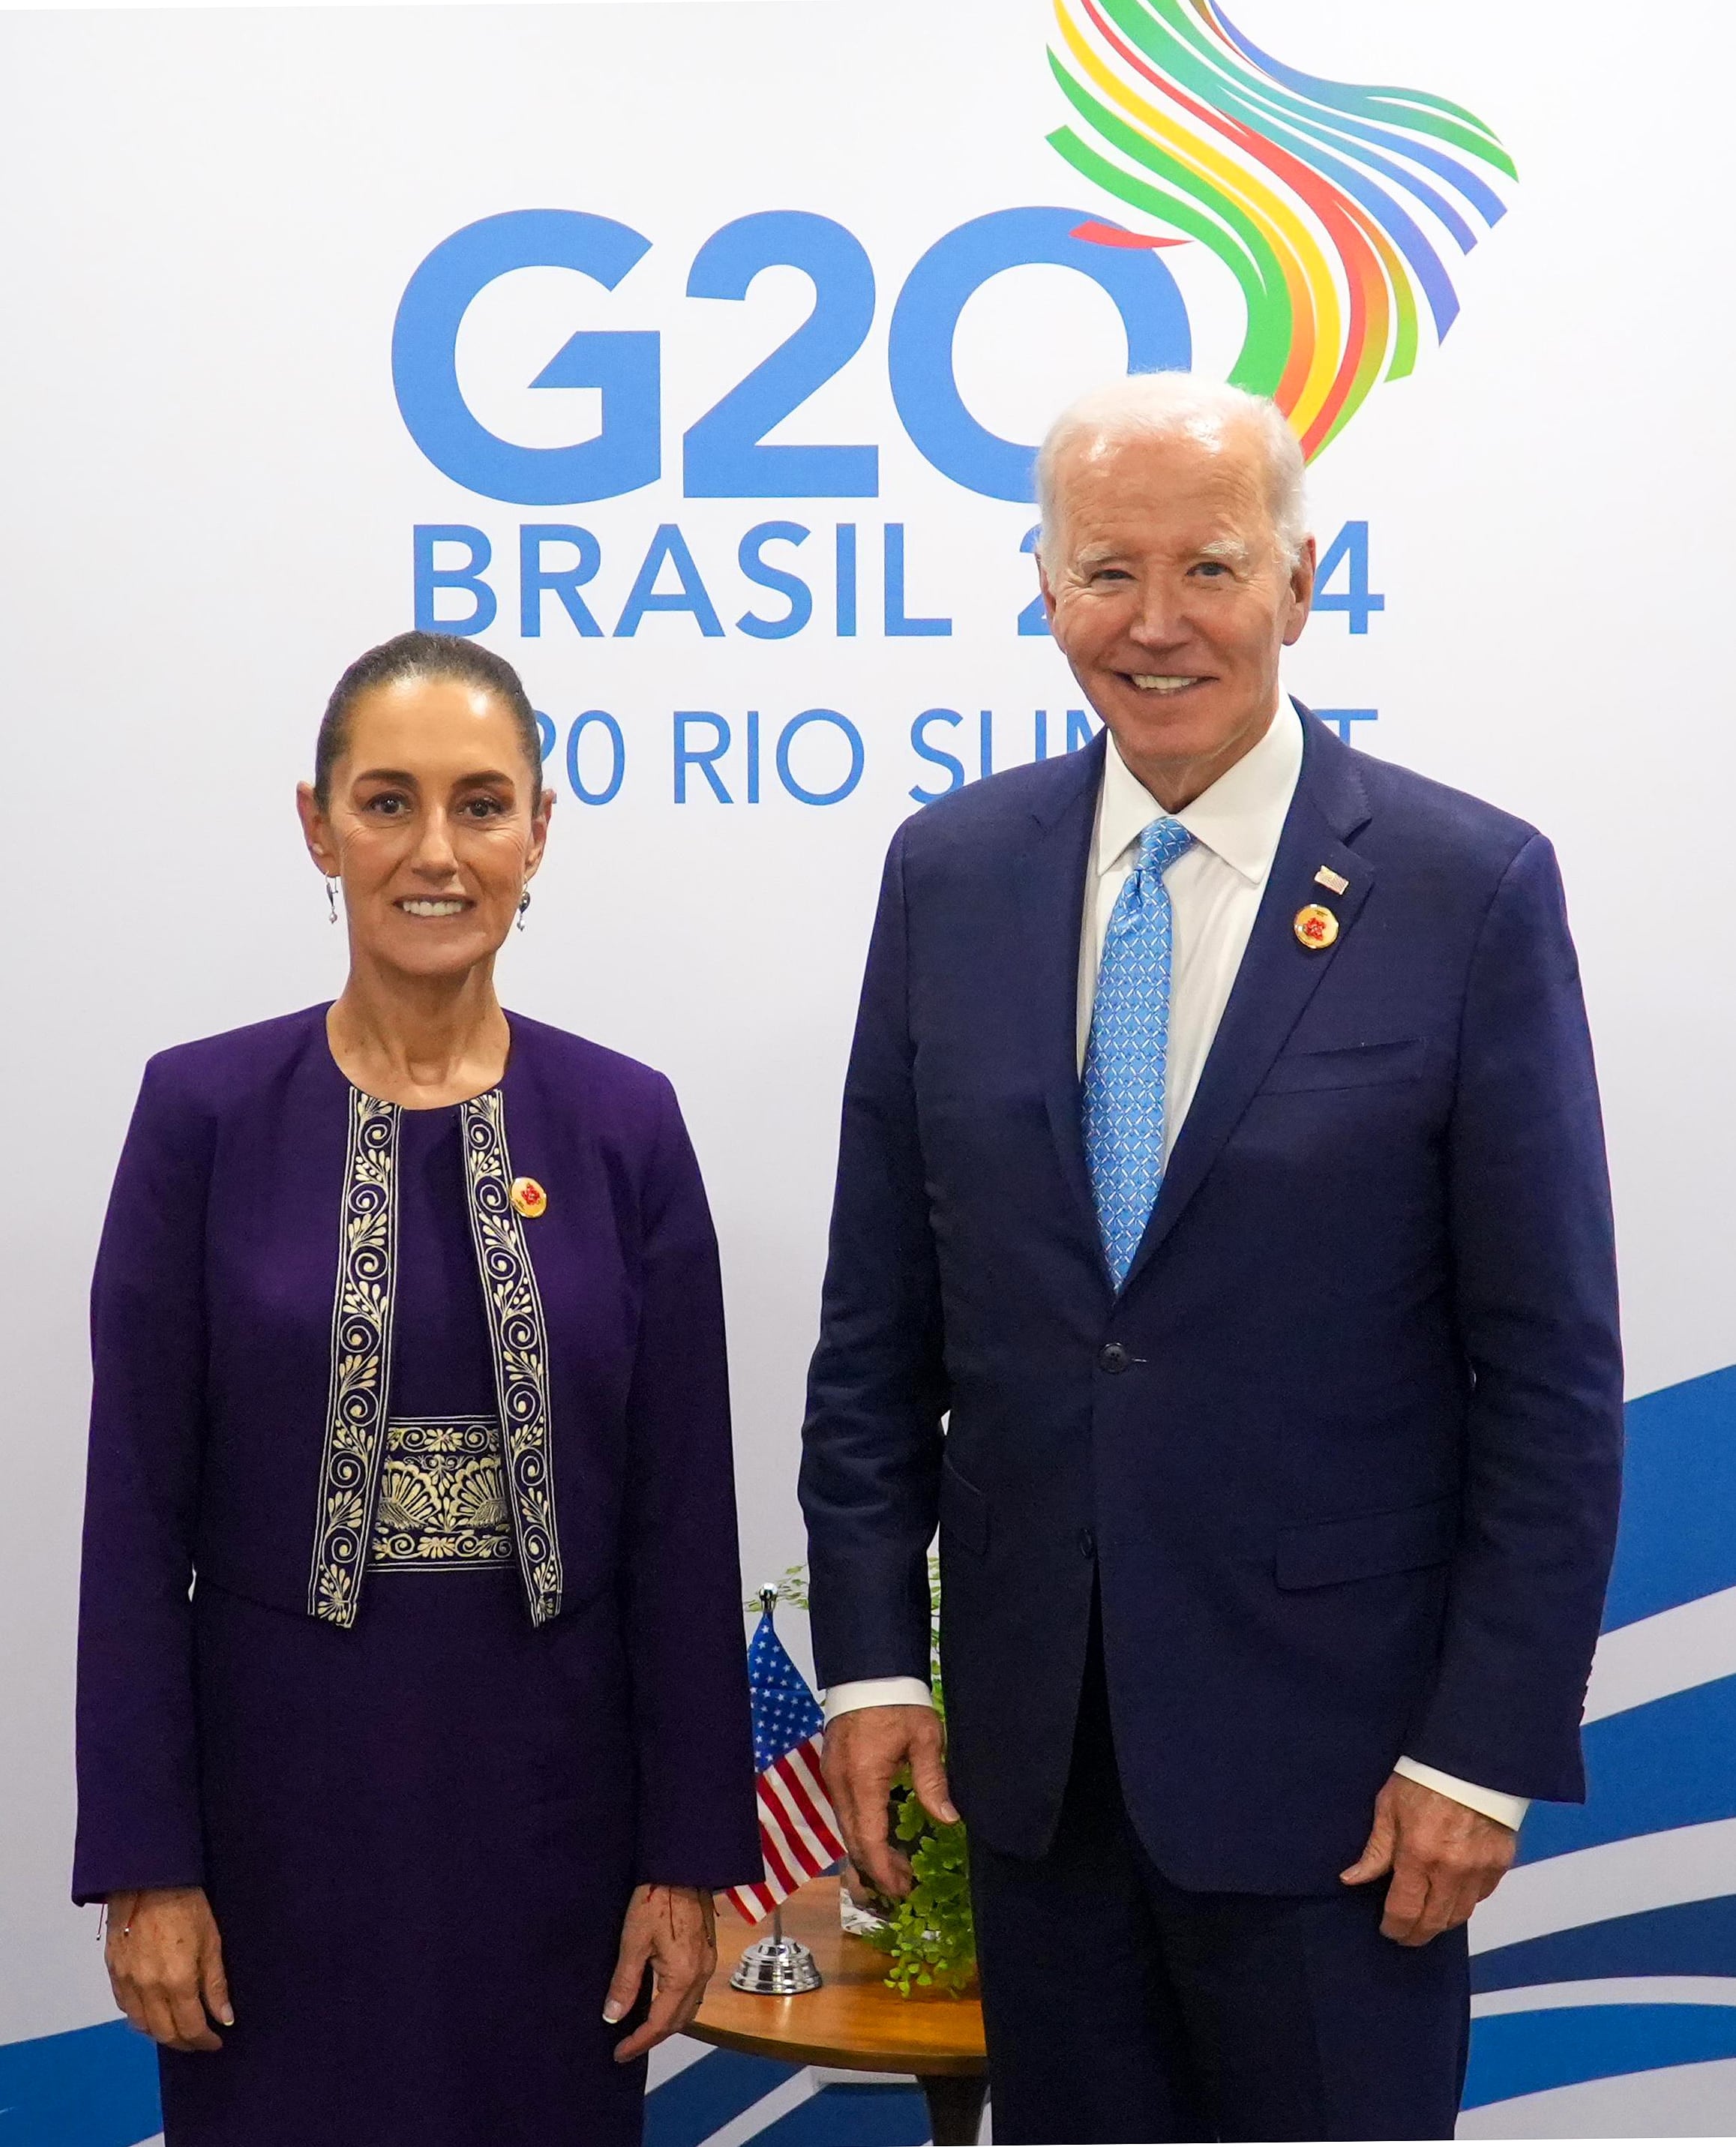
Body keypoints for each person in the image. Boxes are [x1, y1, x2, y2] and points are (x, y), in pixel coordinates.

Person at [800, 375, 1623, 2142]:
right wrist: (872, 1663)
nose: (1155, 623)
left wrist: (1479, 1748)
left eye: (1210, 567)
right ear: (1042, 583)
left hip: (1345, 1788)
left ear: (1303, 582)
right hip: (1035, 1777)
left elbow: (1548, 1374)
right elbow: (880, 1323)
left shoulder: (1466, 890)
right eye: (1106, 570)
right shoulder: (949, 875)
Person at [73, 631, 760, 2146]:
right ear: (316, 826)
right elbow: (131, 1520)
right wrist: (147, 1862)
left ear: (538, 830)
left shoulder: (623, 1124)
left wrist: (685, 1857)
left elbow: (681, 1525)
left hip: (555, 1829)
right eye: (386, 803)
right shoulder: (201, 1115)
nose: (435, 851)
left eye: (479, 803)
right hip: (273, 1830)